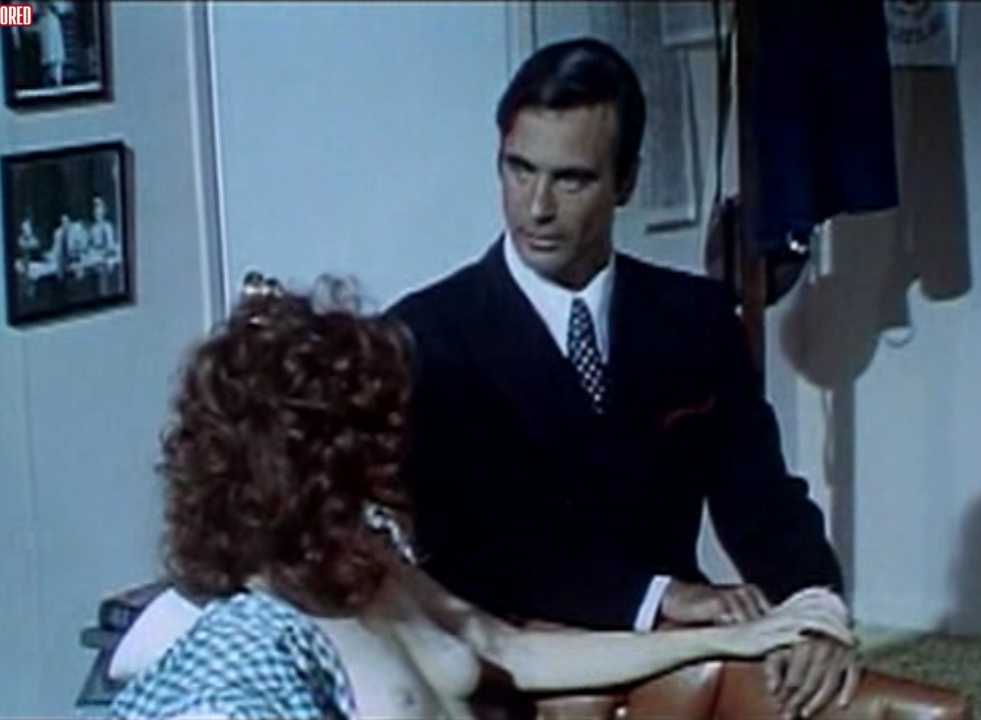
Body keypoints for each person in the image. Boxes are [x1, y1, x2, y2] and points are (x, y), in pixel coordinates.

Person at [107, 274, 842, 720]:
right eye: (369, 444)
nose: (394, 461)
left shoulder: (366, 557)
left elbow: (511, 649)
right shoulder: (256, 638)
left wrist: (725, 640)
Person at [388, 37, 859, 719]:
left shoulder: (696, 319)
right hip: (518, 667)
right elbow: (466, 552)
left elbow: (763, 503)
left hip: (684, 663)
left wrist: (814, 607)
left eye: (570, 179)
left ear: (625, 181)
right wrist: (657, 596)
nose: (536, 207)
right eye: (520, 170)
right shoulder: (426, 336)